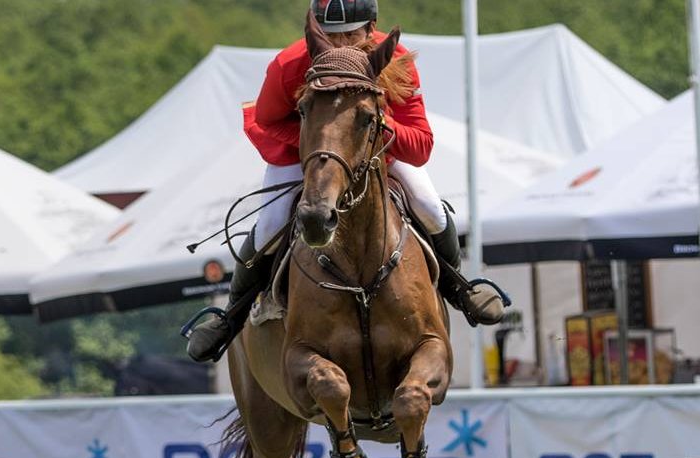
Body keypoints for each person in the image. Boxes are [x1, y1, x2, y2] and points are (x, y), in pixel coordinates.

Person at [188, 0, 507, 362]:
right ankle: (231, 316)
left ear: (372, 29)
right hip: (304, 156)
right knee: (271, 224)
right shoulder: (289, 64)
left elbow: (420, 147)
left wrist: (368, 133)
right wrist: (323, 142)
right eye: (330, 35)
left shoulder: (395, 60)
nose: (340, 47)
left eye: (351, 36)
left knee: (430, 206)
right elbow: (266, 121)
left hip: (376, 151)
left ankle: (459, 287)